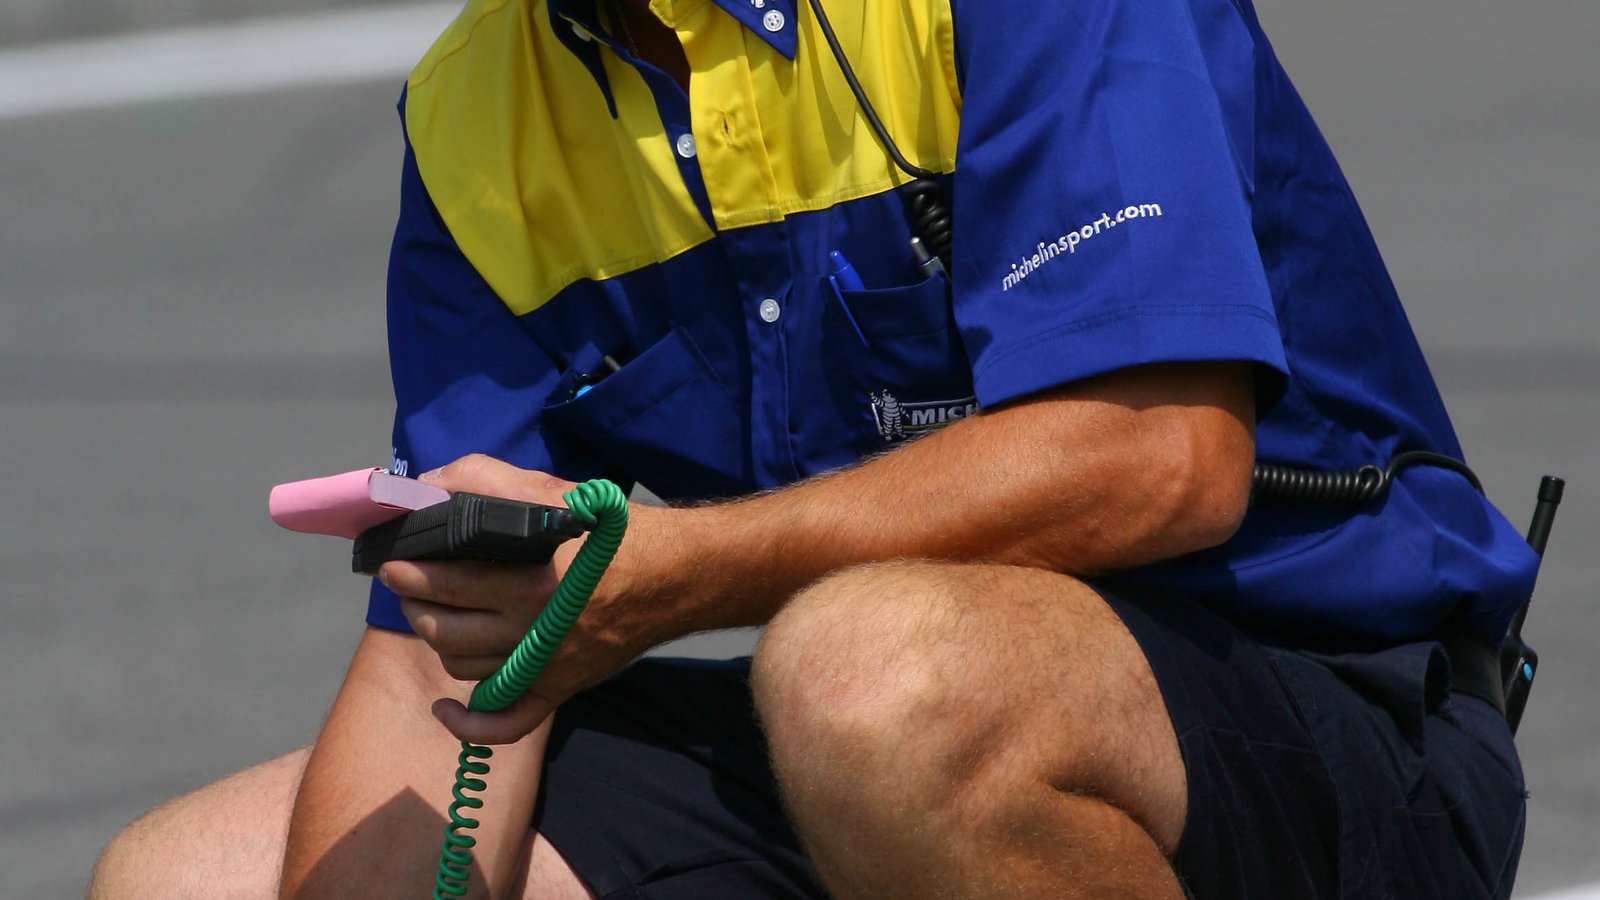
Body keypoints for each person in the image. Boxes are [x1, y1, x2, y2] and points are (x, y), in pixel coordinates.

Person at [91, 0, 1540, 897]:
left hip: (1329, 718)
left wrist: (679, 572)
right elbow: (445, 647)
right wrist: (565, 605)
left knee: (869, 671)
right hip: (870, 741)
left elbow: (1166, 456)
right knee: (185, 876)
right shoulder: (478, 108)